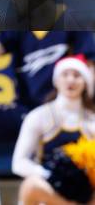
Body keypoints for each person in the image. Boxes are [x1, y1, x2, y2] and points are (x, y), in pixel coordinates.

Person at [12, 56, 95, 205]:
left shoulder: (92, 121)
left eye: (77, 75)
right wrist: (50, 175)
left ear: (85, 82)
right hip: (50, 192)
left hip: (84, 193)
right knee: (31, 185)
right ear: (56, 80)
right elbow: (18, 163)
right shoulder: (38, 116)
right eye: (65, 75)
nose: (71, 80)